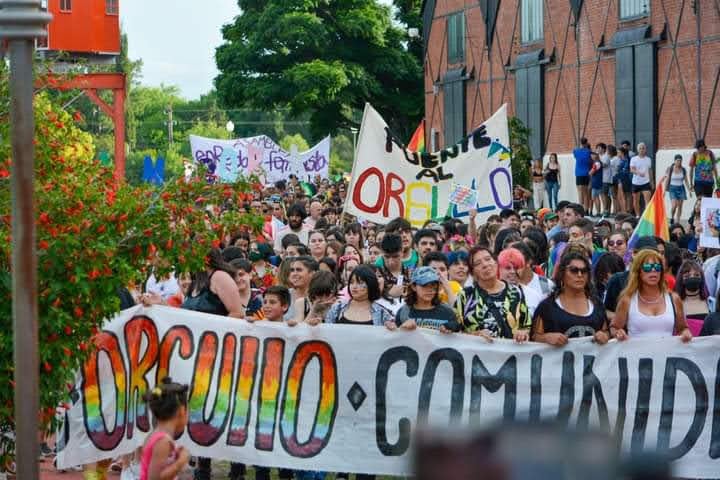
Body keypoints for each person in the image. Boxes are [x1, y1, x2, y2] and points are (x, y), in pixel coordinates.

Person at [610, 249, 692, 342]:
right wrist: (618, 332)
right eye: (647, 267)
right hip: (636, 355)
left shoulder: (674, 298)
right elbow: (614, 328)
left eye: (657, 267)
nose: (653, 270)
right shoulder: (627, 300)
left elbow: (683, 328)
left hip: (667, 354)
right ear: (638, 272)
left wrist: (686, 333)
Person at [531, 250, 609, 345]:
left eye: (584, 271)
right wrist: (546, 338)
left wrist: (604, 336)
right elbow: (534, 337)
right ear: (562, 273)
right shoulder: (547, 307)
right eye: (574, 270)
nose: (579, 275)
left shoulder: (597, 305)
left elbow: (606, 331)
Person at [454, 246, 530, 341]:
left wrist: (522, 333)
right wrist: (474, 335)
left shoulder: (516, 292)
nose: (485, 265)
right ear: (472, 272)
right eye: (478, 263)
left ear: (496, 262)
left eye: (488, 259)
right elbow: (454, 332)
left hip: (511, 354)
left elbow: (526, 325)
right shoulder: (465, 295)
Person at [139, 378, 190, 480]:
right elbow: (154, 478)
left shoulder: (158, 437)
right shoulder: (162, 441)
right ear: (182, 410)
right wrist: (180, 462)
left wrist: (175, 459)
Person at [393, 267, 461, 332]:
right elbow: (396, 338)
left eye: (433, 285)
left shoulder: (447, 311)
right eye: (424, 285)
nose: (430, 289)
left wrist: (453, 327)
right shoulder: (403, 312)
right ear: (414, 287)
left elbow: (459, 337)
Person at [324, 265, 394, 327]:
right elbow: (327, 331)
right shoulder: (337, 309)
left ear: (370, 284)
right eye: (351, 282)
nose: (354, 286)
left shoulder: (382, 313)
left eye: (360, 282)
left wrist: (390, 327)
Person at [497, 247, 543, 317]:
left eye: (516, 268)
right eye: (508, 268)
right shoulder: (490, 294)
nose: (512, 272)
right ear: (499, 269)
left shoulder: (534, 296)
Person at [675, 260, 709, 327]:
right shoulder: (675, 304)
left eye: (696, 275)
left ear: (702, 278)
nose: (692, 277)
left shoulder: (711, 303)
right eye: (687, 276)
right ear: (681, 279)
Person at [377, 233, 408, 299]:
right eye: (387, 257)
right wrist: (388, 294)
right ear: (382, 252)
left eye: (395, 256)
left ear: (402, 251)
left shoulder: (411, 273)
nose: (391, 261)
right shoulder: (375, 274)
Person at [666, 154, 692, 224]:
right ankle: (672, 217)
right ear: (674, 161)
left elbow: (686, 180)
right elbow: (667, 179)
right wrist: (665, 190)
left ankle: (677, 221)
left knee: (680, 206)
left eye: (680, 161)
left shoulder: (683, 169)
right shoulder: (670, 169)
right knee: (674, 205)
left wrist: (689, 190)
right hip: (672, 188)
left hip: (681, 188)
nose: (679, 162)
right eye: (677, 161)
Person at [630, 142, 653, 216]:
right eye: (640, 148)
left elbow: (650, 170)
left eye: (643, 148)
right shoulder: (634, 159)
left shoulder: (648, 159)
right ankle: (637, 216)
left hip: (646, 183)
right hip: (636, 183)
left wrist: (652, 181)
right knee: (636, 201)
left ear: (645, 150)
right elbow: (632, 169)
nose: (642, 150)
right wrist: (639, 173)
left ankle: (646, 217)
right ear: (638, 150)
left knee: (648, 202)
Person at [573, 137, 593, 212]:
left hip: (578, 173)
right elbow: (590, 160)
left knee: (579, 192)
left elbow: (575, 156)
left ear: (580, 143)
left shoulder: (576, 151)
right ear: (586, 143)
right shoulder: (589, 151)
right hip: (586, 173)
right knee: (586, 192)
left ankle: (580, 208)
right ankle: (586, 209)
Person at [589, 152, 604, 216]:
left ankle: (598, 212)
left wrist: (590, 172)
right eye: (591, 155)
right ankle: (598, 212)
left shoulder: (597, 163)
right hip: (596, 181)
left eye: (593, 155)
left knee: (595, 197)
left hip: (596, 182)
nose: (591, 156)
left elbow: (591, 172)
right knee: (595, 197)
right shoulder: (597, 163)